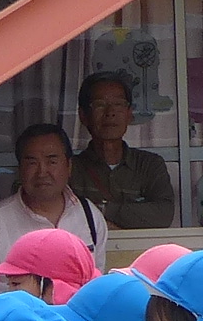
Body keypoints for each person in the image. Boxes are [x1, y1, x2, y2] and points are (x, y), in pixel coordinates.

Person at [0, 124, 109, 263]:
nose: (42, 172)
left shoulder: (89, 216)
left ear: (69, 166)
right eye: (32, 163)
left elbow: (97, 274)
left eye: (52, 162)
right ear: (20, 168)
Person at [69, 72, 176, 230]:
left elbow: (163, 215)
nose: (110, 112)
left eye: (118, 104)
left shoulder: (149, 165)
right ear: (83, 115)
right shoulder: (71, 168)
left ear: (129, 113)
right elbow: (67, 218)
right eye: (100, 104)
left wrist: (103, 209)